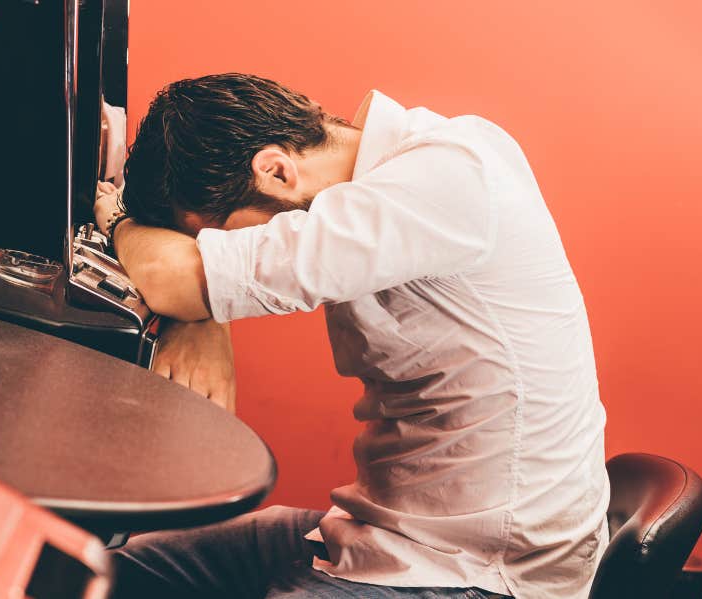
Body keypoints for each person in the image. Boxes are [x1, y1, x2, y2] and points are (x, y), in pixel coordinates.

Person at [95, 74, 607, 598]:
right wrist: (206, 315)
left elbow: (171, 279)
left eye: (217, 237)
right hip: (388, 537)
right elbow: (189, 283)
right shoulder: (401, 174)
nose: (220, 249)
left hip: (481, 572)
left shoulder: (445, 178)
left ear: (275, 171)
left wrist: (118, 223)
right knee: (92, 574)